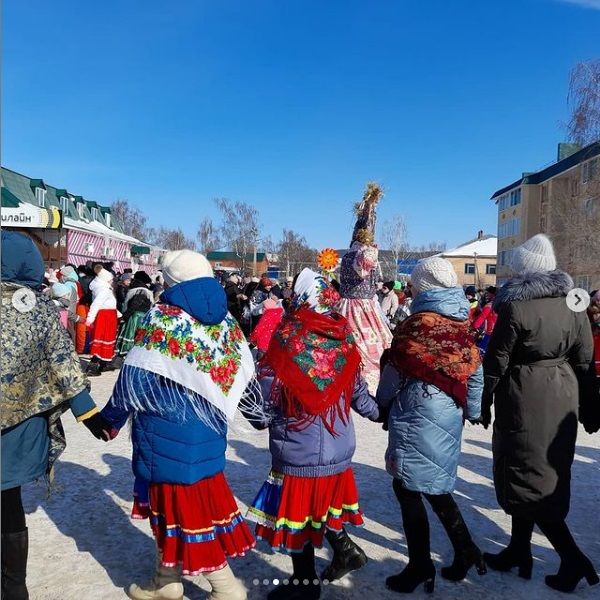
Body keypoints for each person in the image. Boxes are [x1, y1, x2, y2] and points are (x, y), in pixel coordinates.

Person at [101, 249, 256, 600]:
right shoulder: (227, 322)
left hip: (165, 434)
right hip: (207, 435)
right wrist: (259, 416)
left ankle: (227, 588)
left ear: (170, 283)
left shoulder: (165, 320)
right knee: (170, 513)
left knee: (185, 515)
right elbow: (242, 374)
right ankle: (165, 581)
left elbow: (135, 380)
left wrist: (109, 421)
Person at [245, 269, 380, 600]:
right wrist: (383, 414)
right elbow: (360, 395)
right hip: (338, 448)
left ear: (300, 299)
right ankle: (345, 550)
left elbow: (264, 408)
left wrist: (247, 409)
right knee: (322, 507)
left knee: (297, 520)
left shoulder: (285, 343)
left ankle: (305, 585)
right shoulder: (343, 340)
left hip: (298, 450)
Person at [481, 234, 598, 593]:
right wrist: (587, 405)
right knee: (544, 471)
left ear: (525, 271)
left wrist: (483, 400)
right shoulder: (574, 305)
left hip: (524, 394)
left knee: (525, 472)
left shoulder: (515, 308)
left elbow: (496, 361)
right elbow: (584, 358)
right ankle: (519, 550)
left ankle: (574, 559)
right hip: (562, 392)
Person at [1, 231, 111, 600]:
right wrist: (91, 415)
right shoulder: (41, 312)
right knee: (8, 505)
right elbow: (63, 366)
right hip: (17, 428)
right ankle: (14, 587)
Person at [376, 257, 485, 594]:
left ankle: (420, 565)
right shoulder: (461, 321)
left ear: (422, 287)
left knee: (407, 486)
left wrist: (382, 403)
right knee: (434, 483)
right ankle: (466, 549)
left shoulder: (415, 325)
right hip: (449, 410)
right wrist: (474, 409)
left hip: (417, 410)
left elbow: (395, 369)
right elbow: (476, 368)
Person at [338, 183, 392, 394]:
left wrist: (370, 209)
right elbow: (364, 266)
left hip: (347, 305)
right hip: (360, 308)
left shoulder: (348, 254)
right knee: (366, 342)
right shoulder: (360, 254)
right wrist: (370, 249)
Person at [114, 271, 155, 359]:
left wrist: (125, 316)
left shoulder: (140, 291)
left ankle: (129, 355)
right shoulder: (144, 291)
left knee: (133, 335)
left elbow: (134, 305)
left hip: (136, 318)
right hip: (140, 317)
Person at [86, 267, 118, 376]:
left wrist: (118, 314)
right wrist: (90, 318)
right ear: (105, 279)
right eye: (110, 279)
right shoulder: (104, 289)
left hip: (109, 315)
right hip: (105, 317)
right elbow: (97, 304)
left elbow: (109, 303)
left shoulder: (103, 288)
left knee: (106, 338)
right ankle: (93, 366)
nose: (112, 281)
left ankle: (104, 363)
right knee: (102, 338)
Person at [471, 286, 497, 354]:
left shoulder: (489, 306)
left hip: (489, 333)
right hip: (500, 333)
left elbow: (481, 318)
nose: (486, 295)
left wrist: (473, 326)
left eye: (488, 293)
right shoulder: (502, 304)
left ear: (492, 294)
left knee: (481, 351)